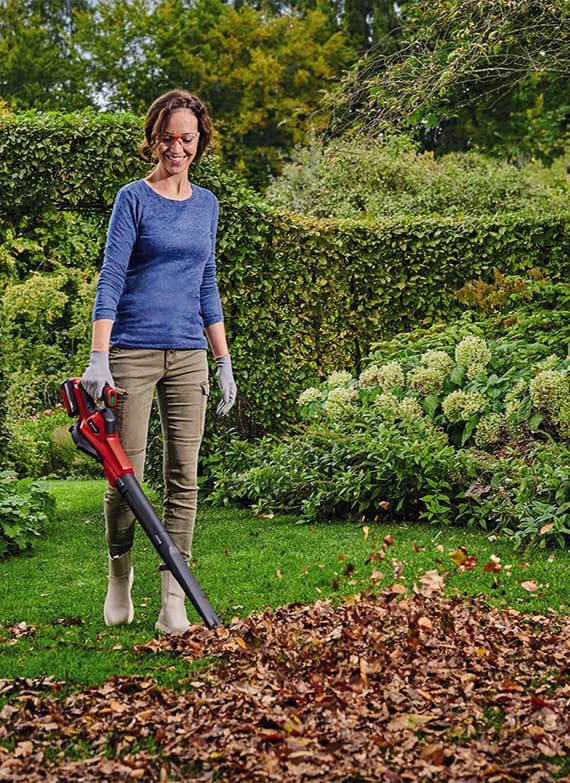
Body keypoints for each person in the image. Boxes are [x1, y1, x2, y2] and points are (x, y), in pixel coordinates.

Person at [81, 89, 236, 635]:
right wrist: (100, 356)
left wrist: (223, 360)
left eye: (187, 138)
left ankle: (173, 595)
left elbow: (207, 282)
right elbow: (111, 276)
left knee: (184, 477)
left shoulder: (208, 204)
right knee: (127, 476)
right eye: (168, 137)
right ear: (155, 137)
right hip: (133, 351)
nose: (177, 148)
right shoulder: (134, 199)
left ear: (200, 140)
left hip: (190, 353)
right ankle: (119, 573)